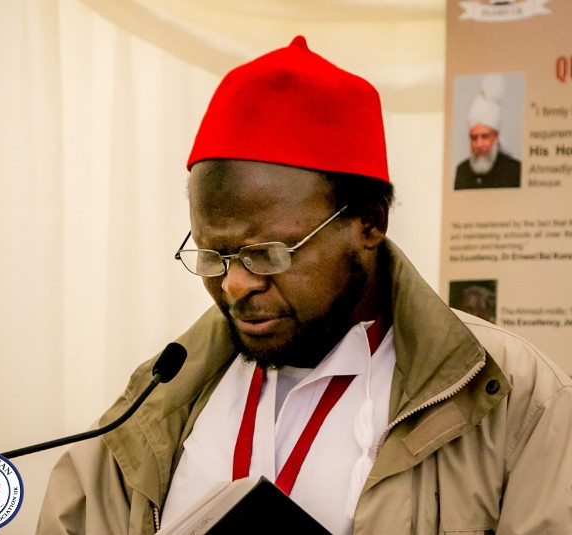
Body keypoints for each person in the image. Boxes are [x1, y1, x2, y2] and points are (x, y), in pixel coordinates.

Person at [36, 37, 572, 534]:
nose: (235, 285)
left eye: (268, 254)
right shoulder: (157, 400)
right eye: (214, 256)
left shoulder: (518, 400)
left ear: (369, 222)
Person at [454, 74, 521, 189]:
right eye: (474, 138)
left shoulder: (515, 171)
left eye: (484, 137)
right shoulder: (462, 172)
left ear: (496, 136)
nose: (479, 145)